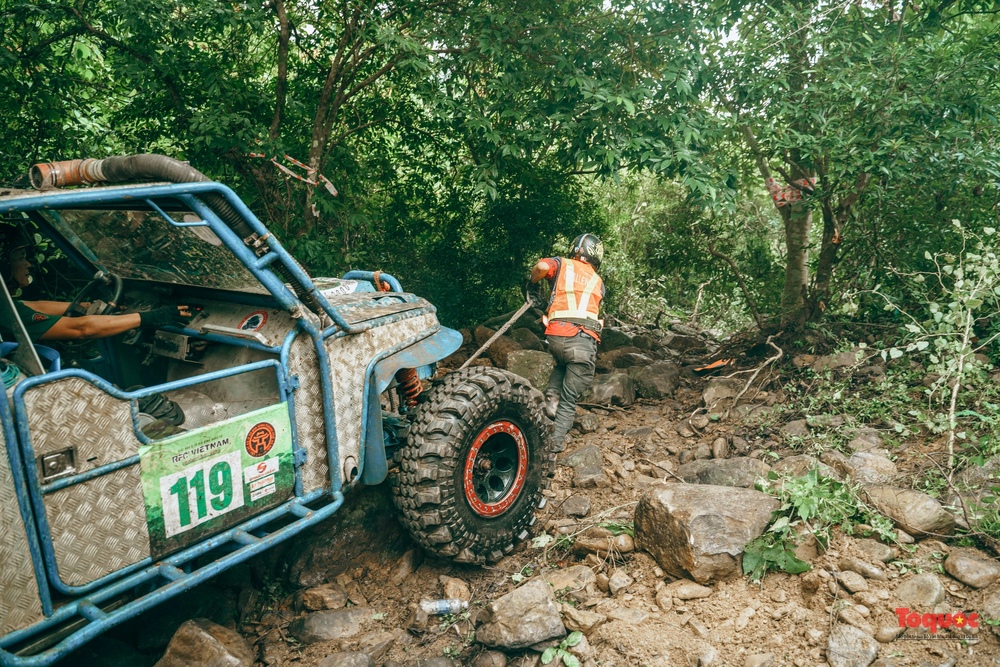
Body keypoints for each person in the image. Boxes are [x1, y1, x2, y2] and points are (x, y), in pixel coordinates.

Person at [2, 241, 190, 342]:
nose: (28, 264)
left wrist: (85, 306)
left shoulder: (6, 305)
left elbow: (34, 306)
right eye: (20, 258)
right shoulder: (5, 313)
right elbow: (81, 329)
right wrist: (149, 317)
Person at [527, 233, 605, 452]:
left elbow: (542, 267)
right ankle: (554, 446)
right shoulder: (598, 281)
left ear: (575, 249)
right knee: (569, 400)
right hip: (582, 343)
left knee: (562, 366)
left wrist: (532, 286)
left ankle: (549, 405)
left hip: (556, 338)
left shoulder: (562, 264)